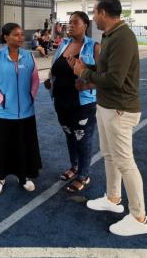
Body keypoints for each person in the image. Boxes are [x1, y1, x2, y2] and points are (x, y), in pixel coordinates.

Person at [72, 0, 147, 236]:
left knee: (125, 161)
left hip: (120, 108)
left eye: (94, 12)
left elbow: (115, 80)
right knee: (109, 156)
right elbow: (106, 70)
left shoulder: (123, 37)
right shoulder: (110, 36)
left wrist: (85, 74)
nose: (93, 17)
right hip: (108, 106)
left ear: (104, 13)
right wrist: (87, 68)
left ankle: (138, 217)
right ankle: (113, 198)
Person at [0, 23, 41, 194]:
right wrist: (1, 99)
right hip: (3, 112)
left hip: (25, 111)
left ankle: (23, 177)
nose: (21, 38)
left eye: (22, 34)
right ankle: (1, 177)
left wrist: (32, 95)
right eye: (16, 35)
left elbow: (35, 79)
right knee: (3, 145)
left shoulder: (29, 57)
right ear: (6, 37)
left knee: (22, 145)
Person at [44, 11, 99, 192]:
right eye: (69, 22)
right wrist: (50, 80)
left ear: (85, 25)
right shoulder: (64, 44)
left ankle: (84, 175)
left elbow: (103, 77)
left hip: (83, 104)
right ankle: (74, 167)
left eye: (75, 22)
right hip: (61, 101)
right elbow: (56, 68)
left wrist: (87, 84)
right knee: (69, 134)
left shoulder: (94, 47)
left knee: (82, 137)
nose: (70, 25)